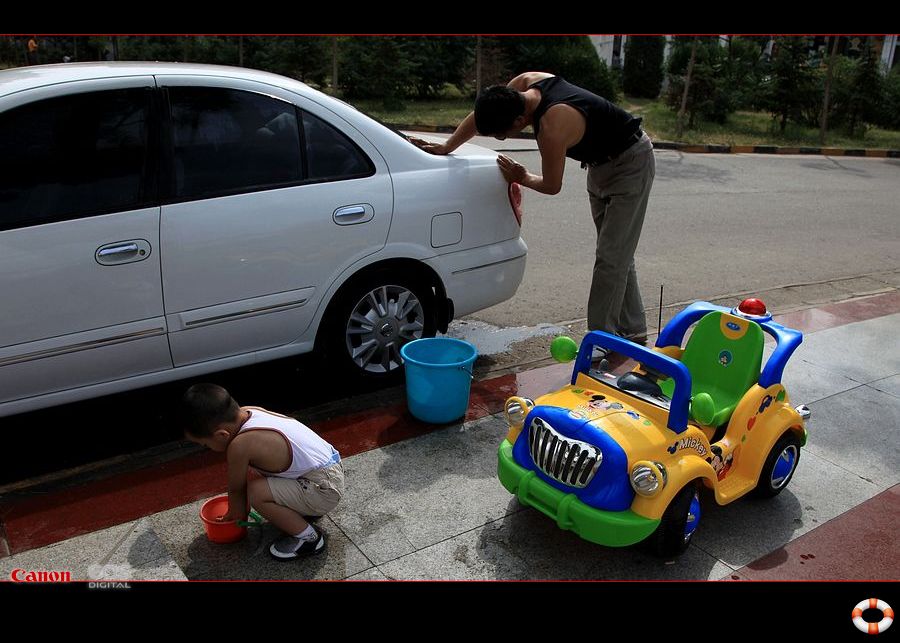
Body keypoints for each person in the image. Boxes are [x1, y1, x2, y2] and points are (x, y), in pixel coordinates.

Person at [412, 72, 655, 346]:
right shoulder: (522, 85)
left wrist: (521, 176)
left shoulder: (552, 125)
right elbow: (480, 116)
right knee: (617, 254)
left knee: (611, 257)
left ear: (519, 120)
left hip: (631, 163)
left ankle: (600, 343)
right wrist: (448, 145)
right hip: (599, 166)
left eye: (503, 134)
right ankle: (634, 331)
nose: (502, 140)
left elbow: (552, 185)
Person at [180, 383, 344, 560]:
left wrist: (234, 518)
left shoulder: (239, 445)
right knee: (262, 484)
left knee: (255, 492)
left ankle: (309, 538)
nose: (207, 448)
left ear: (221, 435)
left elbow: (237, 489)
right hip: (329, 473)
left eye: (205, 445)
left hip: (323, 490)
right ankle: (304, 509)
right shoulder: (250, 411)